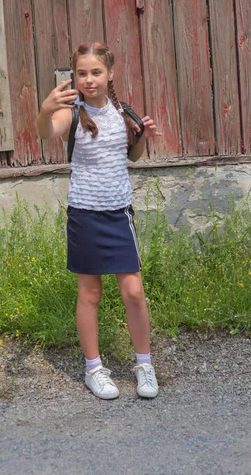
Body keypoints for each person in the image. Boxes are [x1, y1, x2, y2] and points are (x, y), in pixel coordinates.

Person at [37, 42, 162, 400]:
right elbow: (47, 131)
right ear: (74, 76)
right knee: (90, 294)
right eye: (82, 73)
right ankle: (94, 369)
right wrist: (45, 111)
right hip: (85, 216)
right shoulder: (71, 113)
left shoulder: (123, 112)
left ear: (110, 74)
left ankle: (144, 364)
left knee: (134, 293)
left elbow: (133, 157)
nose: (89, 80)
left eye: (96, 72)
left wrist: (143, 139)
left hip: (119, 214)